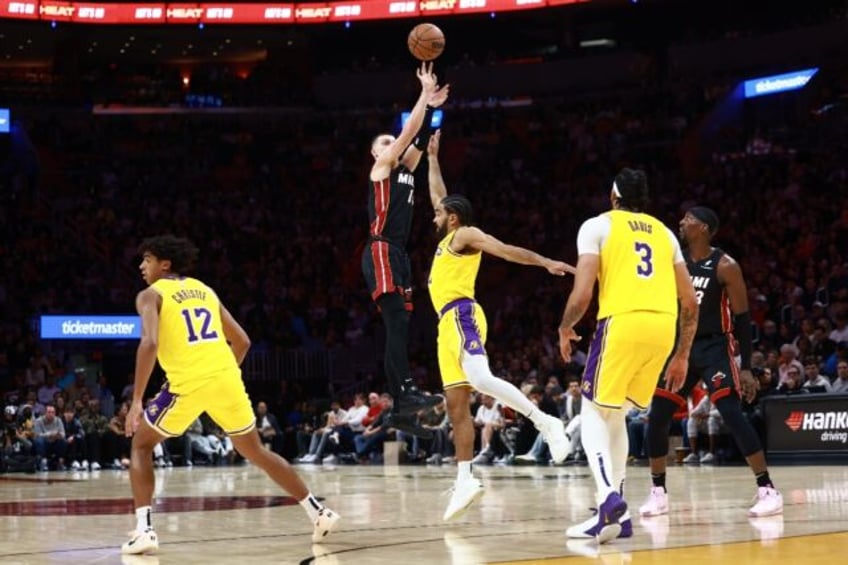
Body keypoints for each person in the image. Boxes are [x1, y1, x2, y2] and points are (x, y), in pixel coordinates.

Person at [122, 235, 339, 555]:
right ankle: (318, 512)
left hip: (188, 382)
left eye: (147, 259)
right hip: (227, 378)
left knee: (140, 445)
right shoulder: (206, 291)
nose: (142, 266)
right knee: (256, 451)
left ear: (164, 264)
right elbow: (243, 341)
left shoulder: (149, 295)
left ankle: (145, 531)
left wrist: (137, 401)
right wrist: (218, 376)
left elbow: (150, 344)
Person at [426, 131, 575, 521]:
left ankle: (547, 422)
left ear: (453, 217)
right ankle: (465, 480)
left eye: (440, 214)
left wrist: (544, 262)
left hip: (461, 315)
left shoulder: (465, 234)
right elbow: (438, 193)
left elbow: (506, 250)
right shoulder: (448, 238)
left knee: (479, 378)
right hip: (445, 326)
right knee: (458, 407)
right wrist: (432, 160)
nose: (434, 216)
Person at [558, 168, 699, 543]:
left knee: (591, 411)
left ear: (613, 195)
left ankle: (607, 500)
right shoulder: (665, 233)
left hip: (622, 321)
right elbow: (690, 300)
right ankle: (619, 518)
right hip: (663, 327)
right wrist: (682, 354)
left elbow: (583, 291)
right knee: (616, 411)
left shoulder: (596, 226)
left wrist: (564, 326)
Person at [639, 207, 783, 519]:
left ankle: (768, 489)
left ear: (703, 228)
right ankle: (658, 492)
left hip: (716, 346)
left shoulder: (725, 265)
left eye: (688, 219)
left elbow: (743, 317)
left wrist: (744, 366)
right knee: (659, 414)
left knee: (731, 412)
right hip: (682, 349)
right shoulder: (674, 263)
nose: (681, 222)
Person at [361, 62, 449, 436]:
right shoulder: (381, 168)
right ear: (375, 152)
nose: (390, 144)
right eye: (384, 141)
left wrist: (431, 143)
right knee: (396, 322)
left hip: (398, 254)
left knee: (402, 325)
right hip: (380, 249)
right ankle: (405, 393)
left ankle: (399, 409)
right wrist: (425, 99)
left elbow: (418, 142)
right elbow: (409, 132)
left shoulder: (405, 170)